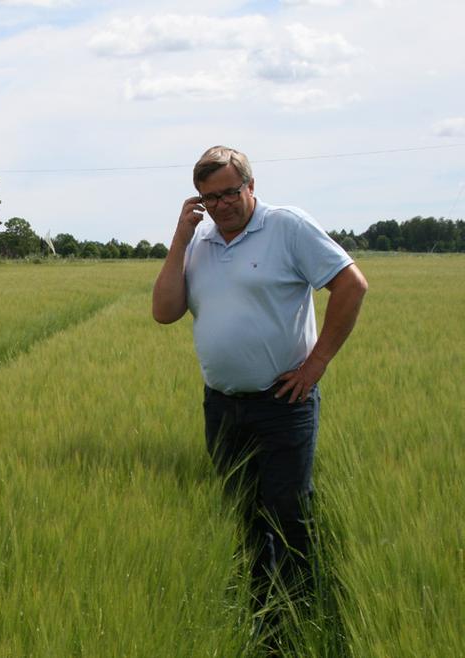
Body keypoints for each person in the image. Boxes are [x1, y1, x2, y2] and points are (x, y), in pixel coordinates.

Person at [151, 145, 368, 642]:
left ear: (250, 186)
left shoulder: (286, 226)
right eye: (210, 197)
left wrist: (316, 364)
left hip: (282, 404)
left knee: (288, 514)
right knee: (243, 514)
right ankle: (261, 614)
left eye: (230, 191)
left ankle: (298, 621)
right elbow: (164, 312)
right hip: (222, 406)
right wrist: (181, 238)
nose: (222, 203)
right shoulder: (200, 241)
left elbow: (352, 286)